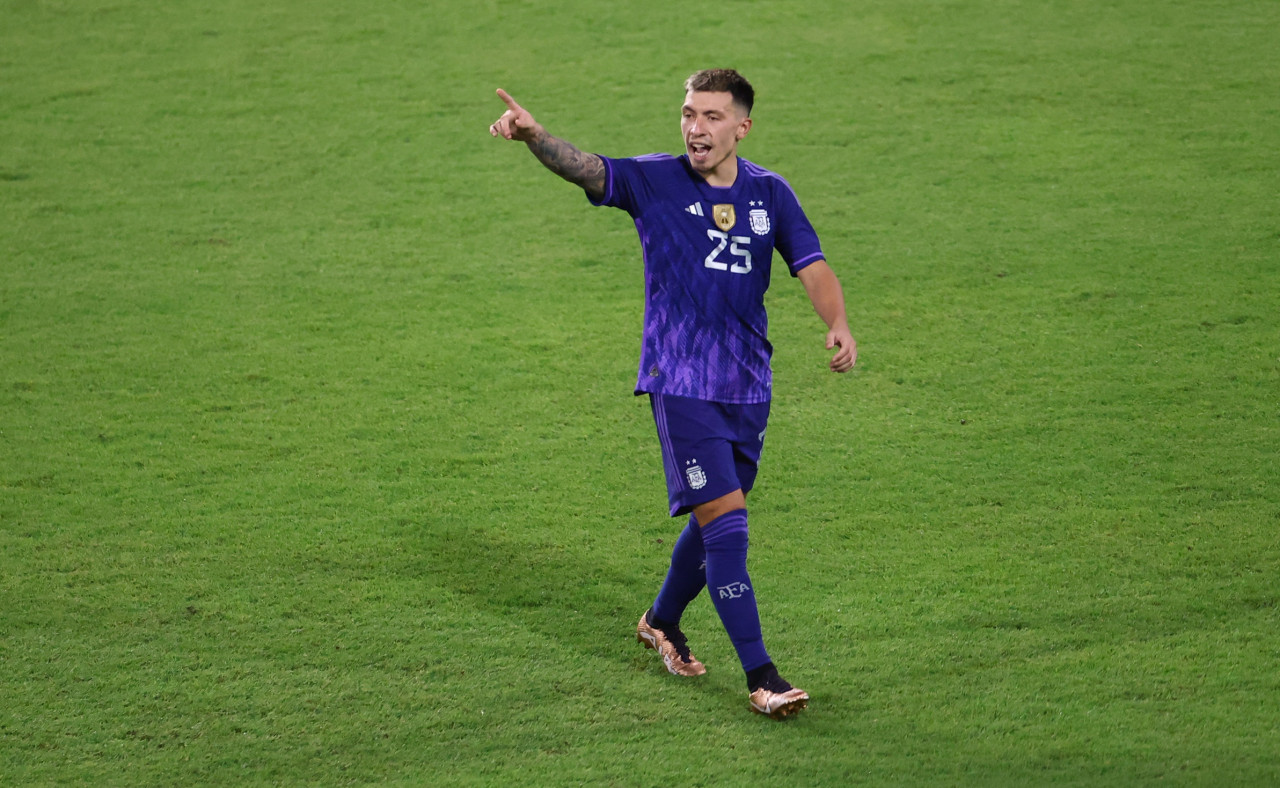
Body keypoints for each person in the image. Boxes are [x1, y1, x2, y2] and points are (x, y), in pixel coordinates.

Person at [489, 69, 855, 719]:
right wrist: (535, 137)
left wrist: (837, 323)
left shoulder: (770, 193)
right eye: (689, 113)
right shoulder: (655, 181)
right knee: (729, 528)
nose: (696, 127)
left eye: (712, 116)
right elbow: (589, 170)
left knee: (717, 517)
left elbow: (811, 262)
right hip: (681, 380)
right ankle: (763, 676)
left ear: (741, 127)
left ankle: (660, 619)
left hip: (748, 387)